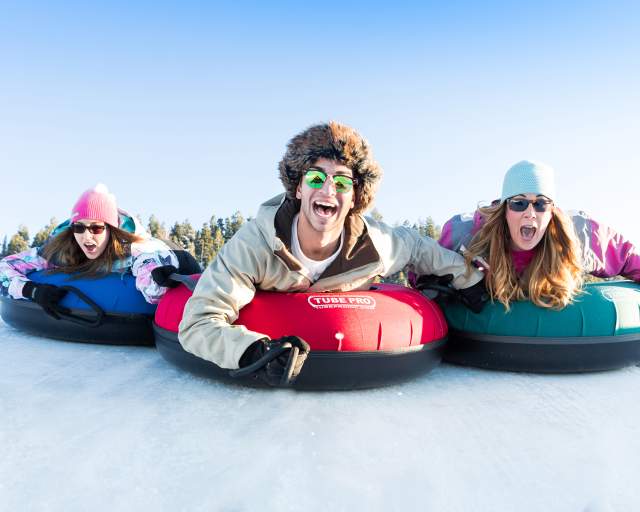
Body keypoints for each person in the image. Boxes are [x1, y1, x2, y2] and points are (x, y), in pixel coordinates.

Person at [160, 122, 487, 387]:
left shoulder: (373, 245)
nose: (328, 190)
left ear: (355, 196)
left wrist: (467, 277)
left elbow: (418, 247)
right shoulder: (256, 244)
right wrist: (250, 352)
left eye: (342, 182)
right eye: (316, 177)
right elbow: (197, 323)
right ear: (299, 188)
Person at [436, 160, 640, 311]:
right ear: (505, 209)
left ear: (551, 211)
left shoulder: (579, 236)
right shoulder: (466, 236)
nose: (530, 213)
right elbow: (425, 271)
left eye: (541, 203)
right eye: (519, 203)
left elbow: (629, 258)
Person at [0, 184, 195, 318]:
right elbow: (5, 267)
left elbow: (152, 283)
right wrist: (31, 290)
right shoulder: (62, 250)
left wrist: (159, 281)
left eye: (96, 228)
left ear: (111, 229)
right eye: (79, 228)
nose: (86, 237)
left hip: (170, 253)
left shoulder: (135, 249)